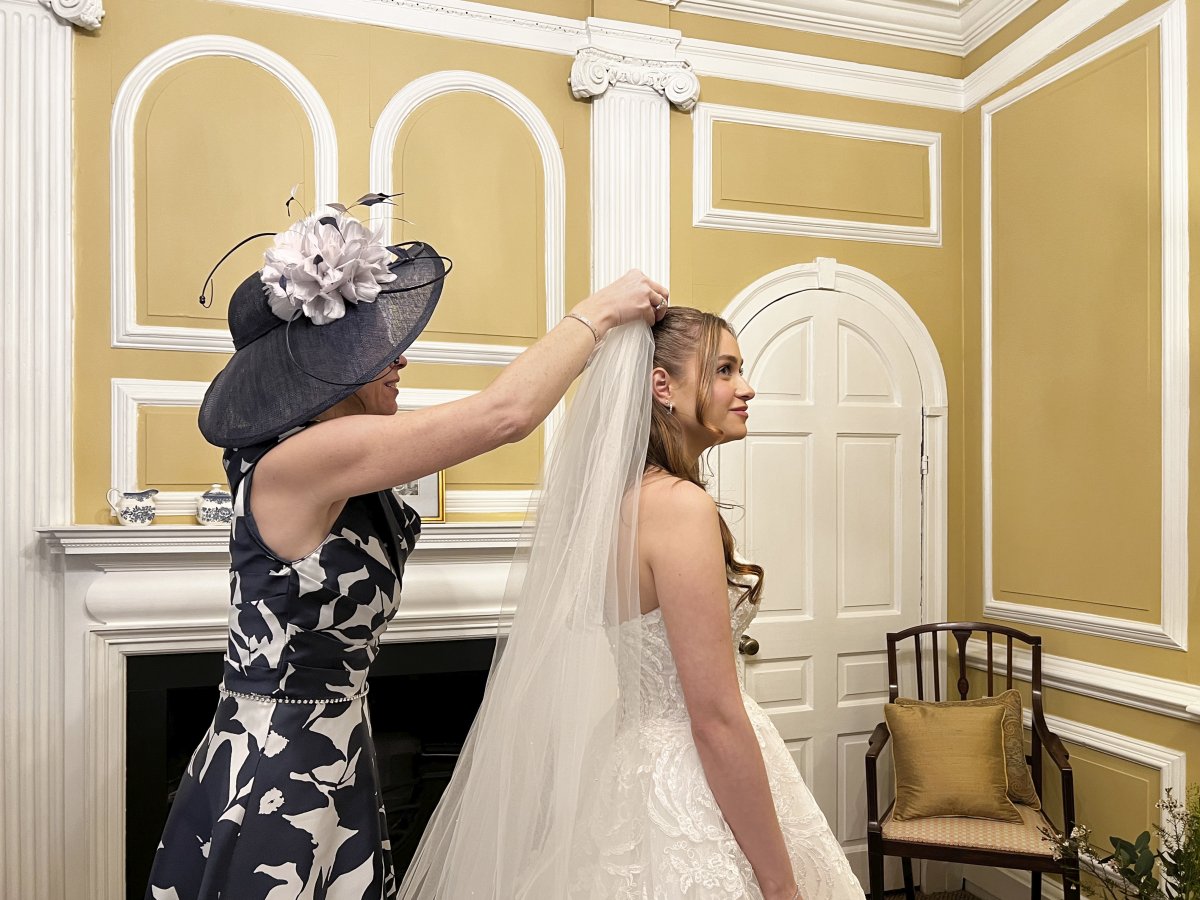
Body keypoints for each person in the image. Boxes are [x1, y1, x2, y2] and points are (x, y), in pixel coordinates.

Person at [144, 201, 667, 900]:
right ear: (332, 365)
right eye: (377, 350)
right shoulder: (305, 458)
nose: (400, 359)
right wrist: (596, 314)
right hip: (278, 762)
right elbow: (502, 416)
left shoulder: (341, 465)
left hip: (332, 743)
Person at [397, 306, 864, 899]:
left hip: (630, 762)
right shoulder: (679, 506)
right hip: (688, 777)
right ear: (662, 385)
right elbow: (715, 718)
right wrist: (780, 886)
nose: (745, 387)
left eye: (739, 370)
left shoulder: (618, 503)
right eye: (724, 370)